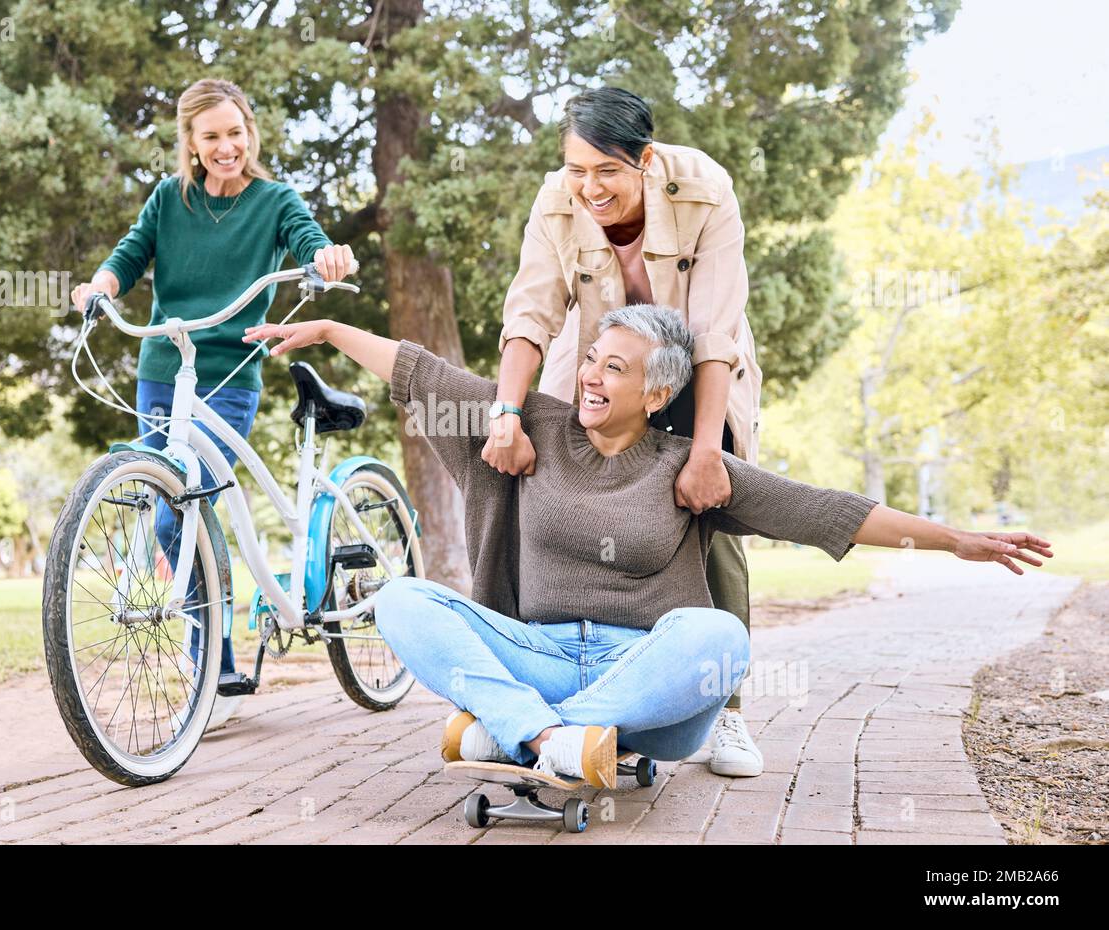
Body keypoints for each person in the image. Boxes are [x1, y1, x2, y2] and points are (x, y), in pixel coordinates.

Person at [241, 305, 1052, 788]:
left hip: (651, 691)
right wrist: (330, 329)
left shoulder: (689, 469)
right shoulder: (536, 428)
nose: (591, 375)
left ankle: (523, 734)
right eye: (591, 357)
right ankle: (556, 741)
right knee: (403, 598)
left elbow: (824, 512)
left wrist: (957, 542)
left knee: (721, 636)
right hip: (539, 652)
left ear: (658, 392)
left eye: (614, 368)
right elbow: (418, 371)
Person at [488, 87, 767, 775]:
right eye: (577, 170)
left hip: (696, 370)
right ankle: (549, 696)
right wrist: (506, 414)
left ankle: (726, 712)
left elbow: (713, 331)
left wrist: (706, 453)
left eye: (606, 171)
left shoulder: (704, 191)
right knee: (547, 500)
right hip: (600, 364)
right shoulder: (558, 200)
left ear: (644, 160)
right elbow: (529, 313)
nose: (589, 188)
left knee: (715, 514)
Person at [70, 78, 356, 729]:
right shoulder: (170, 199)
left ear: (249, 134)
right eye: (211, 137)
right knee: (167, 507)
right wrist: (100, 285)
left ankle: (210, 657)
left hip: (229, 374)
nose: (226, 146)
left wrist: (326, 258)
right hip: (163, 371)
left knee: (191, 502)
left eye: (235, 132)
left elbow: (309, 239)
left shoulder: (275, 200)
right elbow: (129, 254)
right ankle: (216, 657)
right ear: (192, 145)